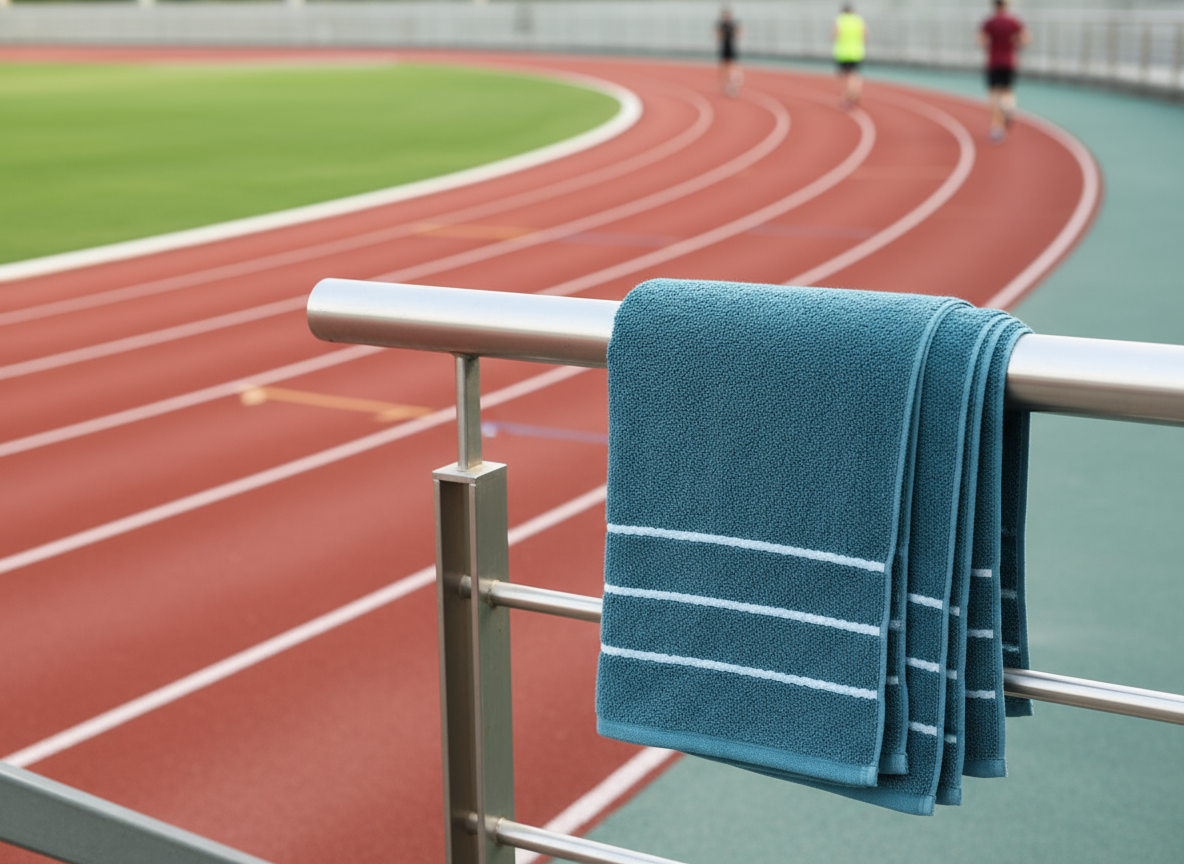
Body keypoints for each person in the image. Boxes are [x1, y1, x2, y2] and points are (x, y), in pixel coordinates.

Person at [978, 0, 1030, 142]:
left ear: (994, 6)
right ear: (1006, 6)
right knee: (1007, 89)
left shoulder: (989, 22)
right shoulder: (1013, 21)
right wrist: (1015, 44)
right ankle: (1009, 106)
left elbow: (980, 41)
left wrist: (990, 44)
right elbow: (1026, 38)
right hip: (1009, 61)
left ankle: (997, 128)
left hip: (994, 61)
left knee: (994, 94)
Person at [833, 4, 867, 107]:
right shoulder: (858, 20)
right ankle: (855, 90)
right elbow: (864, 35)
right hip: (857, 52)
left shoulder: (840, 20)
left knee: (843, 75)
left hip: (842, 52)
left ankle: (844, 97)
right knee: (854, 73)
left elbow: (835, 34)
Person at [716, 7, 743, 97]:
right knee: (723, 68)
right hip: (724, 48)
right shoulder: (721, 25)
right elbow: (718, 36)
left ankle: (733, 84)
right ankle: (725, 84)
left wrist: (737, 31)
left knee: (733, 66)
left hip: (732, 48)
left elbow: (739, 34)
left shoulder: (733, 25)